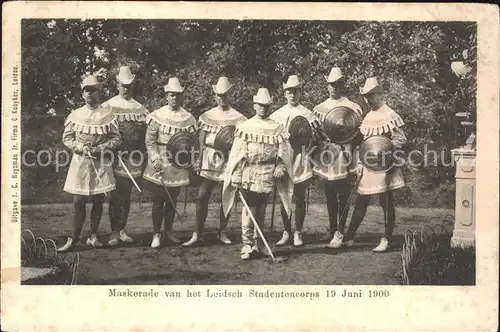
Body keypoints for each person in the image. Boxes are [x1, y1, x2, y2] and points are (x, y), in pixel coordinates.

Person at [222, 88, 294, 260]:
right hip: (249, 171)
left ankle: (259, 243)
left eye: (266, 105)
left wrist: (280, 167)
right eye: (260, 105)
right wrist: (237, 174)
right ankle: (247, 244)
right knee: (249, 209)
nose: (264, 108)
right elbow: (238, 153)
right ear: (255, 106)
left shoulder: (277, 128)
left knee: (261, 209)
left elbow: (284, 152)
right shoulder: (245, 127)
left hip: (268, 173)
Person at [58, 75, 121, 252]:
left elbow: (116, 139)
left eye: (93, 91)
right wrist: (79, 146)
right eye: (86, 90)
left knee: (98, 199)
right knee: (78, 201)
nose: (89, 94)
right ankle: (75, 238)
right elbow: (67, 138)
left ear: (99, 93)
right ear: (82, 93)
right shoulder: (75, 114)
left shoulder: (107, 114)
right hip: (81, 162)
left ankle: (93, 235)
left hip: (100, 162)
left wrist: (100, 148)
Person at [343, 77, 407, 253]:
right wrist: (360, 162)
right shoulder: (368, 116)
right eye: (366, 96)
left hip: (385, 164)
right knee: (361, 200)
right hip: (368, 164)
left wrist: (386, 149)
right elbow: (364, 142)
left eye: (371, 96)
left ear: (380, 94)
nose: (368, 100)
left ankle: (386, 238)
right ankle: (349, 237)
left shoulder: (390, 114)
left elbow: (400, 138)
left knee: (385, 201)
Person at [183, 77, 247, 247]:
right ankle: (197, 233)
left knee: (227, 196)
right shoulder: (207, 116)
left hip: (228, 159)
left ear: (230, 95)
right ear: (215, 95)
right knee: (202, 196)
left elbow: (241, 143)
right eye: (218, 95)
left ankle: (222, 231)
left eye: (224, 95)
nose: (221, 98)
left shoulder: (239, 118)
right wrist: (197, 159)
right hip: (210, 159)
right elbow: (200, 141)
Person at [143, 77, 198, 248]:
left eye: (177, 95)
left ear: (181, 97)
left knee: (172, 199)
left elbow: (191, 142)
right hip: (159, 161)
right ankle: (156, 234)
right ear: (166, 96)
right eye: (171, 95)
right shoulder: (157, 115)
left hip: (177, 164)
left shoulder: (188, 118)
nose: (174, 98)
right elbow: (150, 141)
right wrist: (154, 158)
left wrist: (188, 161)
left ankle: (169, 231)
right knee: (158, 199)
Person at [312, 67, 363, 248]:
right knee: (330, 194)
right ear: (327, 86)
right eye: (331, 85)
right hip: (327, 155)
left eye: (337, 84)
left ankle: (340, 232)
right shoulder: (320, 108)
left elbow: (359, 133)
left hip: (344, 155)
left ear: (342, 85)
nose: (334, 88)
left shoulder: (352, 107)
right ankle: (333, 228)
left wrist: (347, 145)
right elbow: (316, 133)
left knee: (343, 194)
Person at [269, 75, 320, 247]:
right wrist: (277, 162)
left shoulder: (308, 114)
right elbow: (273, 141)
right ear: (285, 93)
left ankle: (297, 232)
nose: (292, 94)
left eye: (296, 91)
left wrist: (308, 153)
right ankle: (286, 231)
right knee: (284, 196)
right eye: (289, 91)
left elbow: (315, 139)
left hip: (301, 157)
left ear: (300, 92)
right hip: (284, 158)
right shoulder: (277, 115)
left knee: (299, 197)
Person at [102, 66, 149, 246]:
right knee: (115, 194)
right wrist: (111, 148)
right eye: (123, 85)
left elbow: (143, 133)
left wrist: (138, 151)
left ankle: (122, 229)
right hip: (114, 155)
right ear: (117, 84)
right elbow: (103, 130)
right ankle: (114, 231)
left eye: (129, 85)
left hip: (132, 157)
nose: (126, 88)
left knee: (127, 193)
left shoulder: (139, 108)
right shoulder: (108, 106)